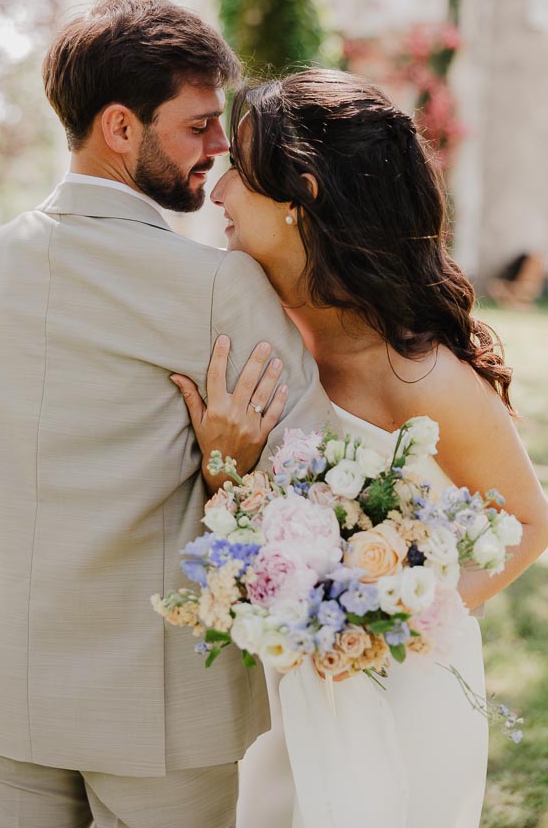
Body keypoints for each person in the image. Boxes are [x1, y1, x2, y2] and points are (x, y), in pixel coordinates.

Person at [0, 0, 338, 828]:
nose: (218, 146)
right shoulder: (216, 285)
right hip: (164, 707)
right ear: (120, 128)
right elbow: (309, 478)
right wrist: (228, 468)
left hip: (3, 688)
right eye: (199, 124)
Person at [172, 69, 548, 828]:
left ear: (298, 197)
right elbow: (245, 514)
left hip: (403, 691)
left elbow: (529, 521)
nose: (217, 196)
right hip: (283, 688)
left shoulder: (420, 374)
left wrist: (390, 619)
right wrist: (221, 463)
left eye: (238, 175)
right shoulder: (261, 334)